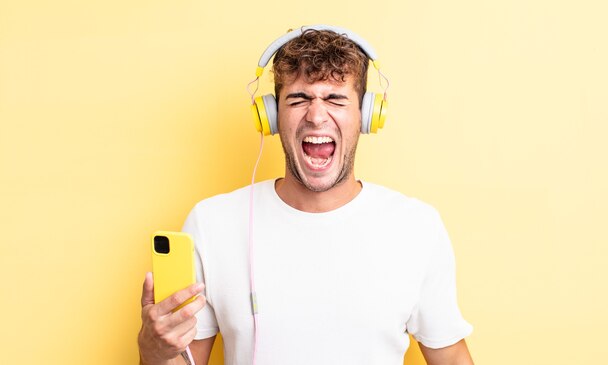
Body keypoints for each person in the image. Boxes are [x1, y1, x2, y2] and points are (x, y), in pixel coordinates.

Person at [138, 25, 474, 365]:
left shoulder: (416, 226)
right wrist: (154, 351)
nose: (316, 115)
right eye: (298, 99)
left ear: (366, 115)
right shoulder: (213, 223)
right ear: (271, 116)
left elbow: (452, 357)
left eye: (335, 99)